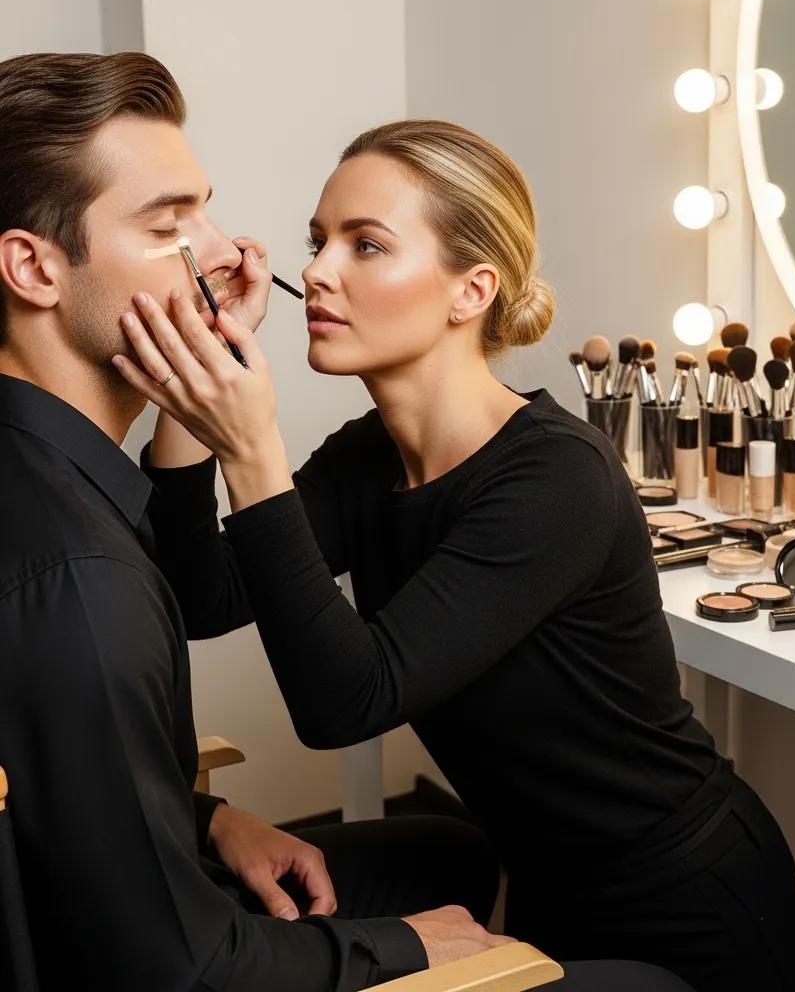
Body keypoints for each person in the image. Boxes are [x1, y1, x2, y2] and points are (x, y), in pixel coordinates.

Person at [120, 111, 795, 991]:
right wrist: (194, 382)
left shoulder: (558, 480)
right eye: (318, 240)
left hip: (690, 910)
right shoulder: (370, 459)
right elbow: (202, 596)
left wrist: (252, 452)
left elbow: (346, 702)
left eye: (366, 246)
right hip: (547, 891)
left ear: (470, 291)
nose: (316, 271)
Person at [0, 50, 513, 992]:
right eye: (170, 225)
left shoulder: (53, 495)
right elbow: (175, 967)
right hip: (146, 956)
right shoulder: (80, 578)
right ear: (32, 267)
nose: (228, 251)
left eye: (209, 208)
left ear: (471, 289)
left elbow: (56, 771)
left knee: (445, 856)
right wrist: (402, 951)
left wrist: (201, 819)